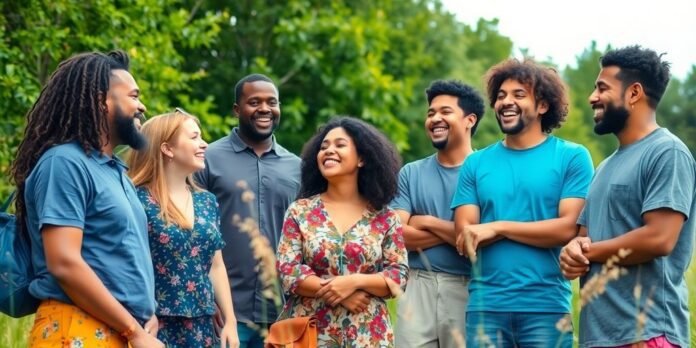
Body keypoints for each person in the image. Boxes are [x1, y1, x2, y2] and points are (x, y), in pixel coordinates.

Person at [10, 50, 163, 347]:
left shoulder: (114, 171)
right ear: (100, 101)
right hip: (75, 328)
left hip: (119, 329)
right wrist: (133, 330)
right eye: (133, 96)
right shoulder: (64, 163)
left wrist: (146, 315)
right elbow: (64, 262)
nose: (141, 106)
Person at [451, 59, 594, 347]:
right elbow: (467, 235)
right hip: (485, 307)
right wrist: (484, 232)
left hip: (547, 306)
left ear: (542, 105)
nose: (506, 102)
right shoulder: (476, 163)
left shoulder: (572, 157)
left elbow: (567, 228)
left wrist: (498, 227)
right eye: (501, 96)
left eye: (518, 95)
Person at [560, 46, 696, 348]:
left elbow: (659, 239)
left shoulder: (667, 152)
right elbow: (585, 238)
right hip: (598, 336)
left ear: (634, 93)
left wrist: (589, 251)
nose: (592, 97)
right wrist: (573, 252)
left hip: (646, 334)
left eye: (602, 88)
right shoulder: (605, 166)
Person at [276, 116, 409, 347]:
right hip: (307, 333)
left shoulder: (385, 218)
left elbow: (398, 276)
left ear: (362, 159)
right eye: (324, 146)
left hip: (367, 334)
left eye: (340, 145)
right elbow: (288, 270)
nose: (328, 151)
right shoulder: (300, 211)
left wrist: (355, 282)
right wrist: (340, 292)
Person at [194, 74, 301, 347]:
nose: (264, 109)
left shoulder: (297, 167)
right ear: (237, 109)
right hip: (224, 312)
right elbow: (192, 231)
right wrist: (206, 296)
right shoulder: (206, 158)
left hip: (283, 313)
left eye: (272, 102)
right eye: (254, 102)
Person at [127, 111, 240, 348]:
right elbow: (129, 264)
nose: (204, 144)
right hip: (152, 324)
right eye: (194, 137)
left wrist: (230, 321)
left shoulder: (206, 201)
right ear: (167, 148)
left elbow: (216, 265)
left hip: (202, 327)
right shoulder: (137, 199)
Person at [392, 80, 484, 347]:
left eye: (445, 112)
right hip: (417, 285)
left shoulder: (486, 170)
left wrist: (427, 221)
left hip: (469, 286)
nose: (435, 119)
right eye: (431, 113)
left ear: (469, 120)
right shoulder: (411, 172)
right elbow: (397, 235)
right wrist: (456, 232)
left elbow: (479, 240)